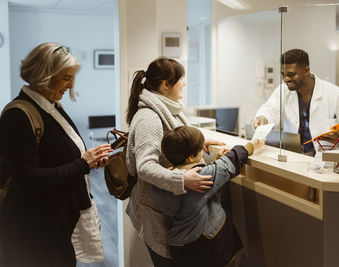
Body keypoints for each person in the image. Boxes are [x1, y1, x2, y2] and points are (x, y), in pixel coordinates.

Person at [0, 42, 112, 267]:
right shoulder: (18, 116)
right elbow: (28, 180)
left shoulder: (52, 107)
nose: (71, 85)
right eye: (65, 78)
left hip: (57, 225)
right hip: (34, 232)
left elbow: (58, 156)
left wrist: (88, 161)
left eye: (72, 77)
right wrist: (83, 164)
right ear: (43, 75)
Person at [125, 57, 224, 267]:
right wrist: (182, 179)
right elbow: (145, 167)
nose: (185, 83)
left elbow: (171, 140)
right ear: (166, 84)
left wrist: (200, 143)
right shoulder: (148, 118)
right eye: (181, 79)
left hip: (168, 209)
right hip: (156, 212)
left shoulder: (168, 109)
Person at [151, 126, 264, 267]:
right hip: (205, 244)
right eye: (200, 151)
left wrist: (217, 159)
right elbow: (228, 165)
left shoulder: (164, 180)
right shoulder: (196, 180)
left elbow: (208, 180)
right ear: (191, 157)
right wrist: (252, 145)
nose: (203, 155)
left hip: (181, 246)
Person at [253, 49, 339, 155]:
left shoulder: (335, 94)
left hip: (327, 160)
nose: (285, 79)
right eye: (283, 74)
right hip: (296, 157)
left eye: (291, 74)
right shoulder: (283, 91)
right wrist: (263, 117)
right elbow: (270, 109)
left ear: (306, 70)